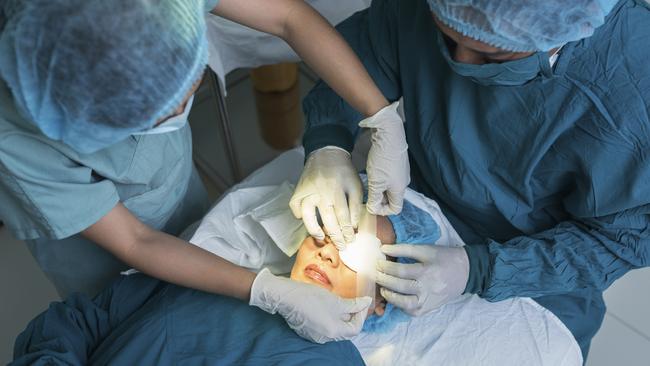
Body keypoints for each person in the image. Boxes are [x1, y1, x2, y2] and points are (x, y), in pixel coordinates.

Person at [0, 0, 408, 343]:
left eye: (188, 88)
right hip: (92, 246)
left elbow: (288, 17)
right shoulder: (15, 136)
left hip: (167, 181)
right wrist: (262, 290)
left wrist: (380, 115)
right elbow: (136, 242)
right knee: (125, 313)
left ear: (377, 305)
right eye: (157, 115)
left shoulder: (147, 12)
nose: (327, 251)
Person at [295, 0, 650, 359]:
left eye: (491, 57)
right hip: (415, 192)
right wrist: (328, 143)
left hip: (538, 273)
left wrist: (479, 269)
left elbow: (620, 240)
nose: (459, 63)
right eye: (445, 37)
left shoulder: (634, 90)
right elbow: (365, 49)